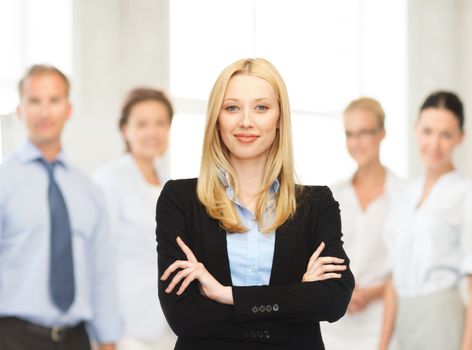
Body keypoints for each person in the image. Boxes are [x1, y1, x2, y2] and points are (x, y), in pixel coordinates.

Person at [155, 58, 354, 350]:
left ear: (279, 119)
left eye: (261, 107)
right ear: (216, 118)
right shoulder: (180, 199)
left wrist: (227, 295)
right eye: (232, 107)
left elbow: (334, 299)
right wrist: (296, 297)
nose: (246, 121)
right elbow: (183, 315)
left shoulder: (316, 204)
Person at [0, 65, 121, 349]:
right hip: (12, 338)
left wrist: (108, 341)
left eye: (54, 101)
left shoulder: (89, 191)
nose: (44, 112)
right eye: (34, 101)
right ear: (20, 110)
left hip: (76, 339)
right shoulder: (3, 181)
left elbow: (101, 274)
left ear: (68, 109)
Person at [379, 91, 472, 350]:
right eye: (428, 131)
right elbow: (392, 279)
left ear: (460, 138)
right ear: (415, 130)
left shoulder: (466, 195)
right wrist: (382, 345)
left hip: (443, 318)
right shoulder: (402, 195)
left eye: (446, 135)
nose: (434, 144)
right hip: (405, 320)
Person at [94, 87, 176, 350]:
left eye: (160, 123)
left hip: (168, 324)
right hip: (126, 328)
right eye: (142, 124)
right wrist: (104, 334)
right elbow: (98, 260)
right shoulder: (109, 180)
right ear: (124, 129)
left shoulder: (171, 184)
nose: (152, 132)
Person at [320, 97, 402, 349]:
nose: (356, 142)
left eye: (365, 132)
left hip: (380, 324)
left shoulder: (404, 196)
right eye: (350, 134)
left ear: (382, 134)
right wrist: (343, 289)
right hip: (334, 325)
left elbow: (403, 268)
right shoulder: (331, 195)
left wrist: (369, 293)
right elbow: (321, 258)